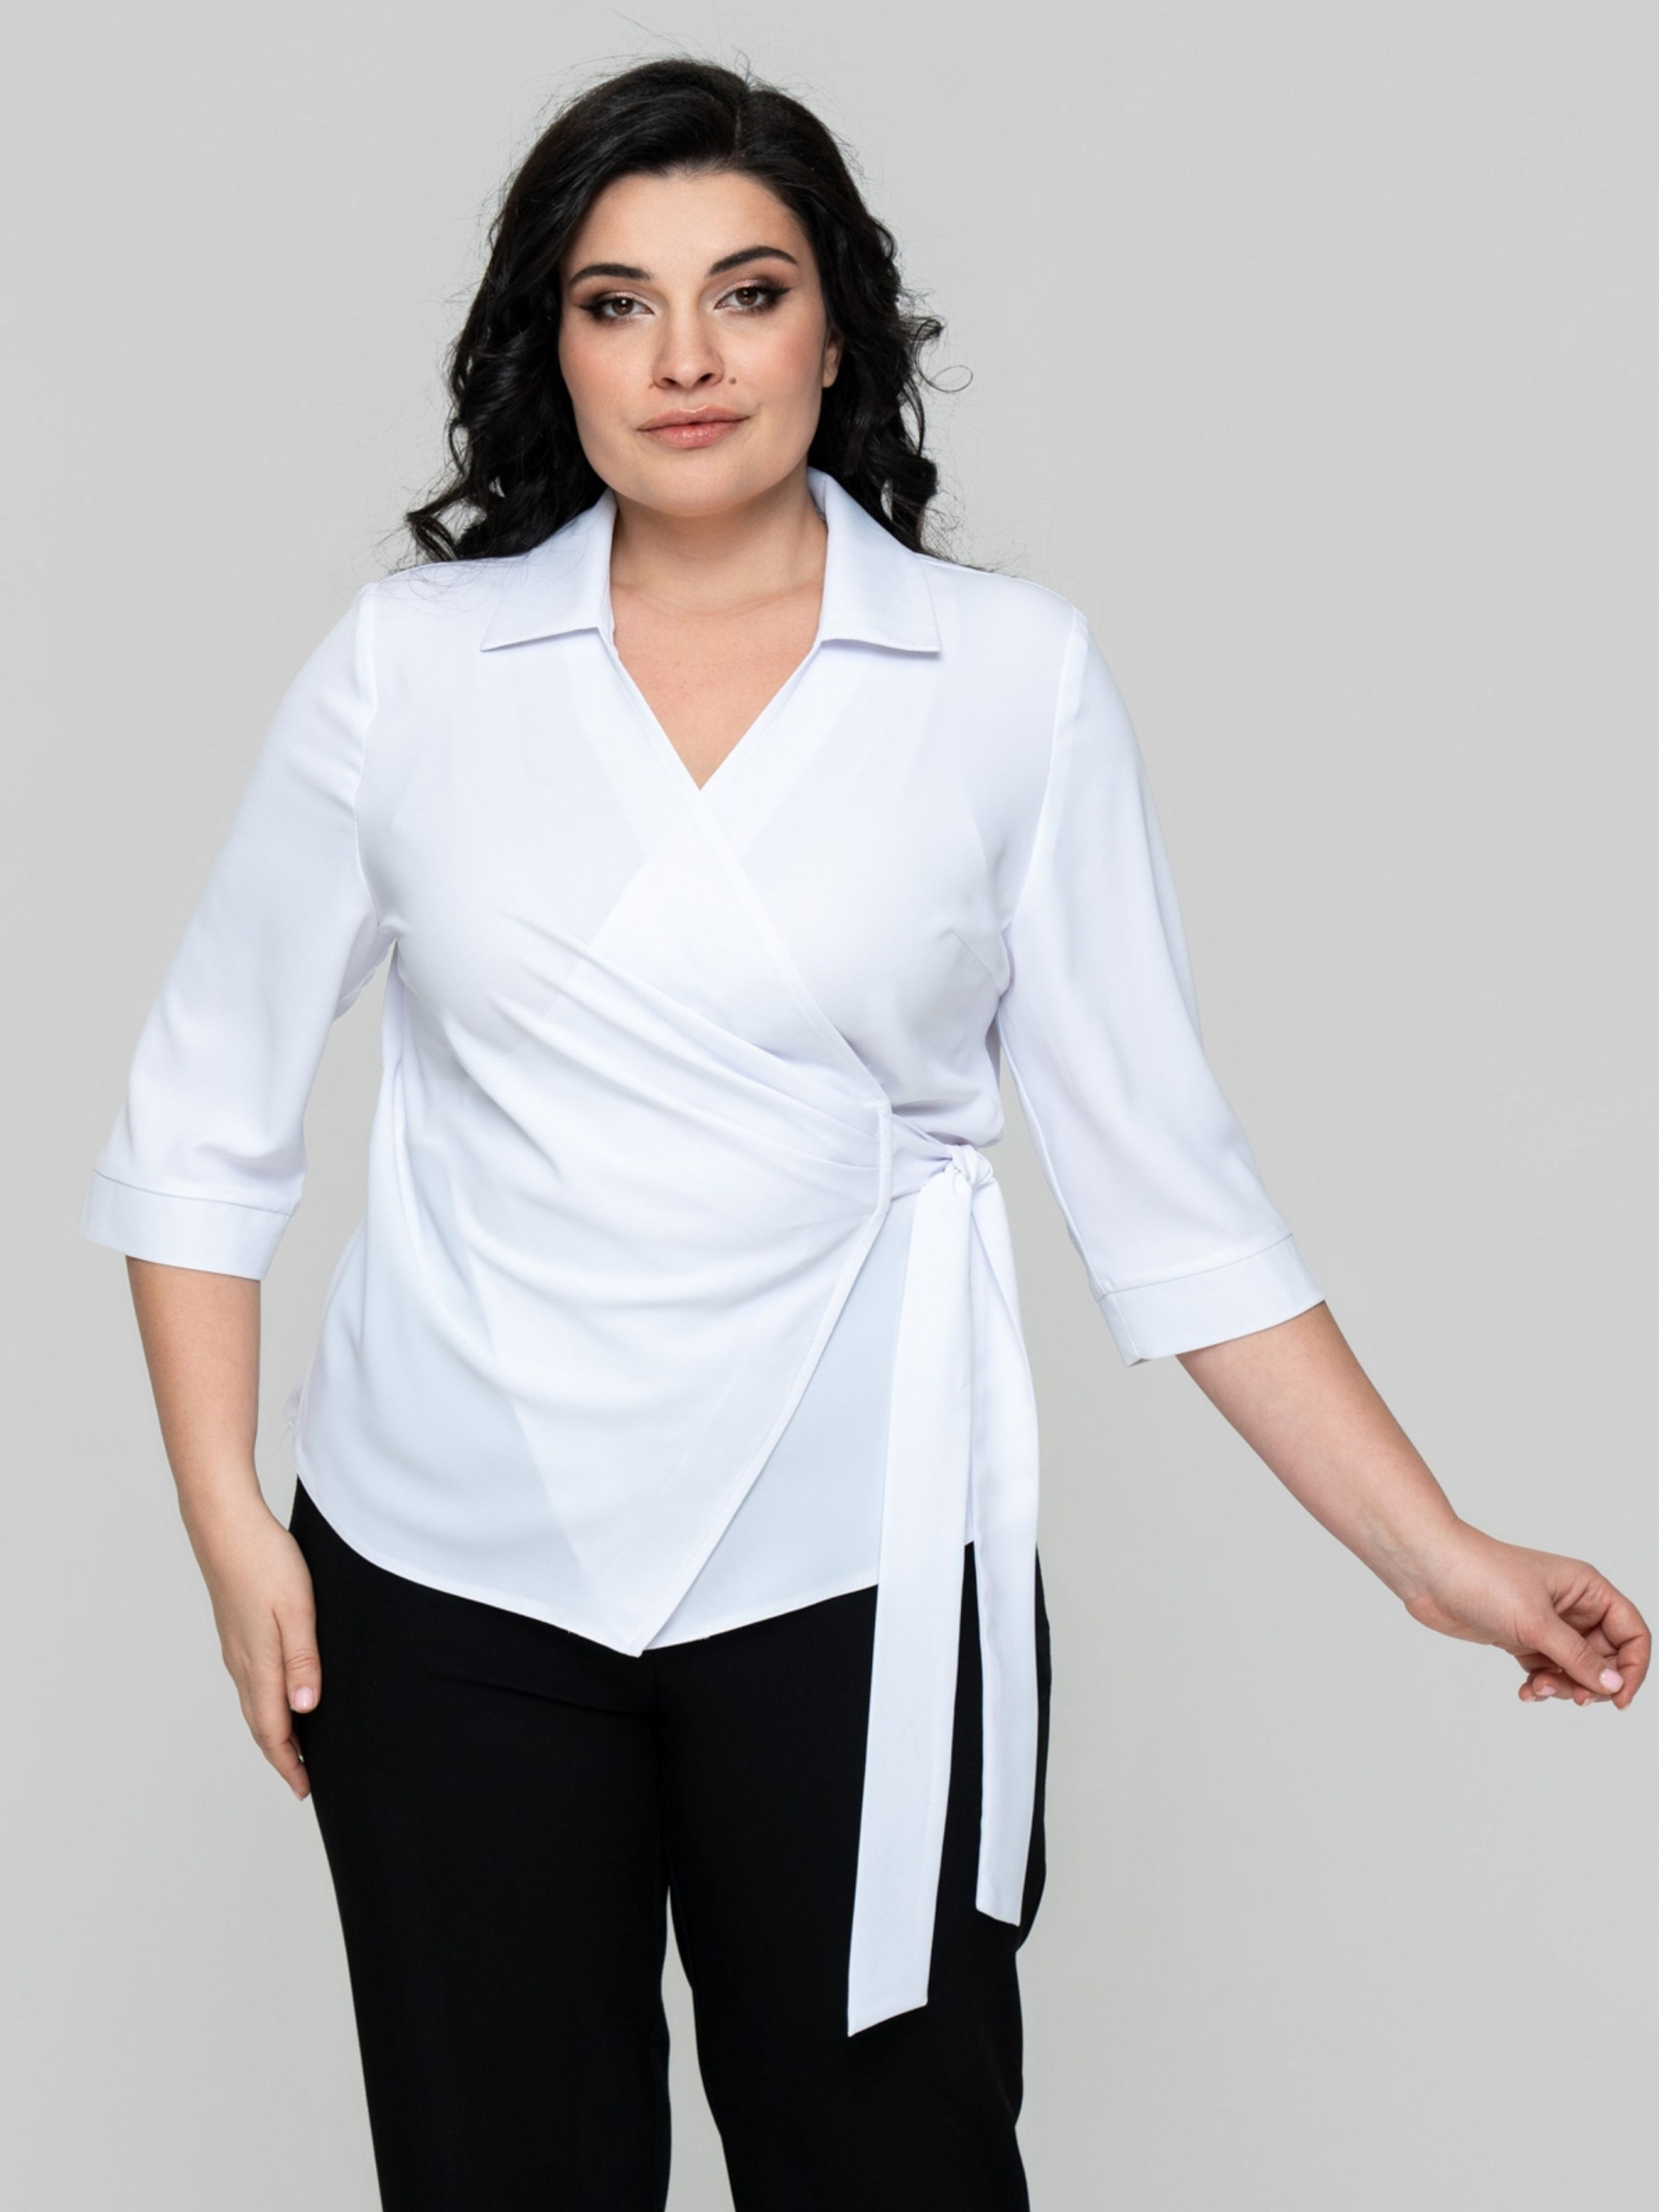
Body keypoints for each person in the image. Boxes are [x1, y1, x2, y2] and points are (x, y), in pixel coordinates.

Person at [78, 55, 1648, 2212]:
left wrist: (1437, 1556)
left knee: (892, 2170)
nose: (687, 357)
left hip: (863, 1574)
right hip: (444, 1578)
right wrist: (227, 1526)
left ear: (839, 330)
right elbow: (202, 1115)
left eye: (747, 291)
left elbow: (1168, 1195)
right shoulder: (413, 668)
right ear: (553, 345)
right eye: (618, 303)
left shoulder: (1003, 681)